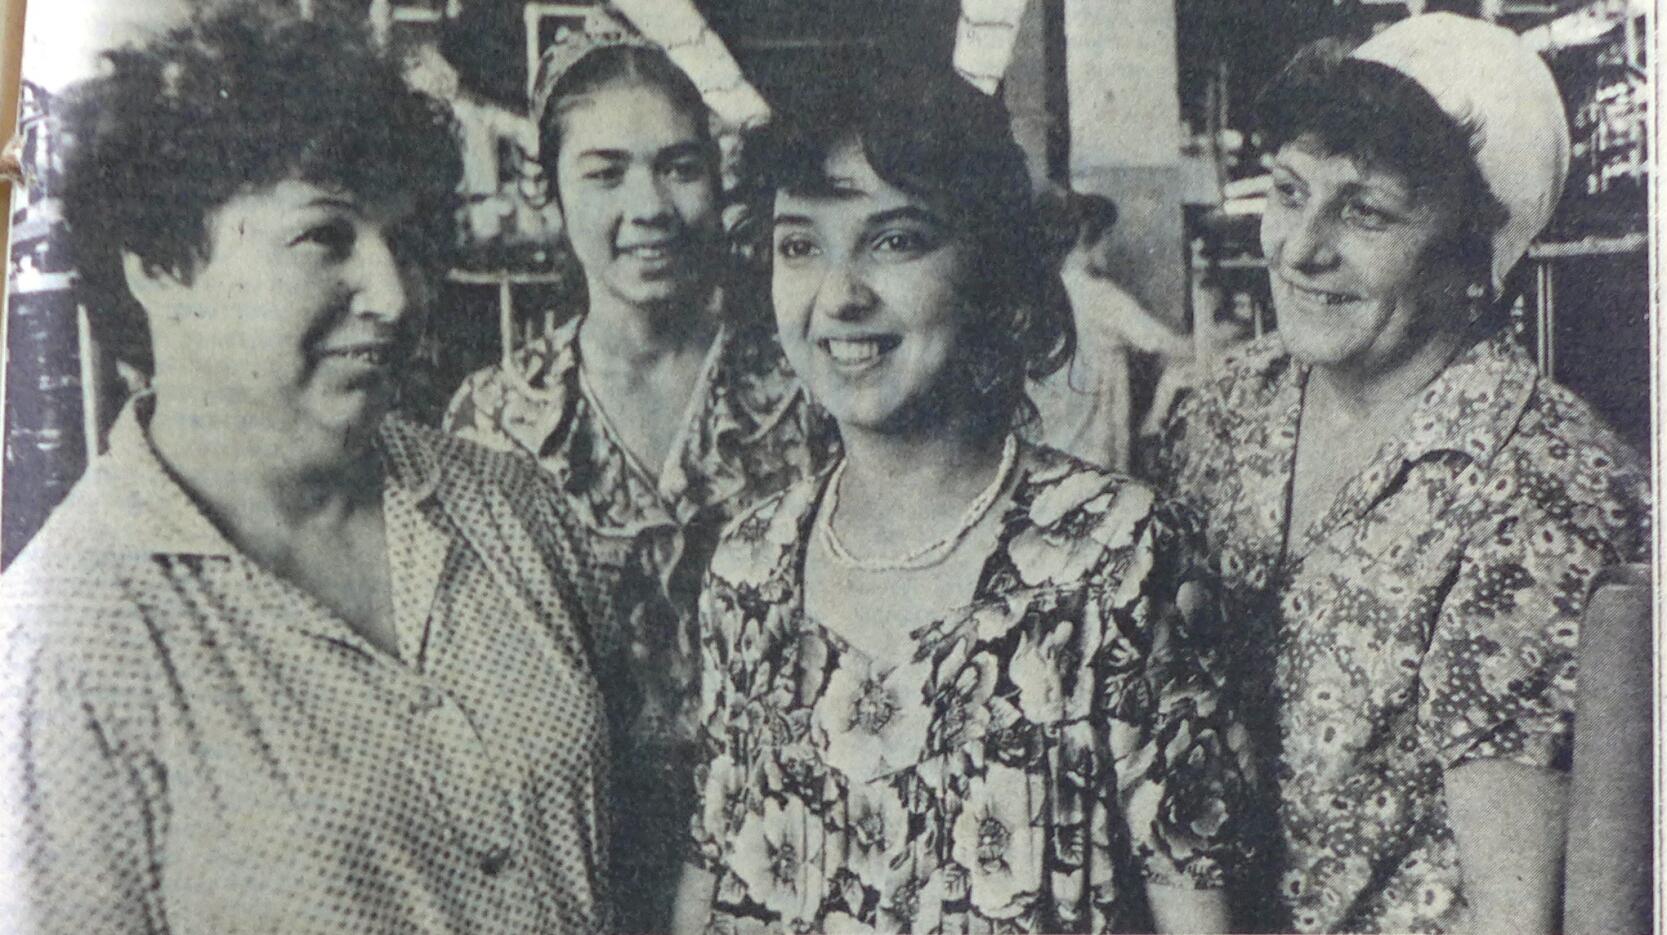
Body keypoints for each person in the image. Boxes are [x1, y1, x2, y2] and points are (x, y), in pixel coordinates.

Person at [3, 7, 613, 931]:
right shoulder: (69, 649)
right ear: (159, 266)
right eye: (325, 237)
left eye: (404, 241)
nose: (394, 293)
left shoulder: (509, 508)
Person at [672, 64, 1247, 934]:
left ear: (993, 271)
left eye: (895, 240)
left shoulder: (1122, 559)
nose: (839, 295)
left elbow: (1200, 910)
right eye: (799, 246)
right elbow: (709, 875)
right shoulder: (748, 567)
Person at [1151, 14, 1650, 933]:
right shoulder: (1227, 411)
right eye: (1290, 192)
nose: (1299, 247)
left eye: (1365, 212)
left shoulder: (1541, 486)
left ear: (1478, 256)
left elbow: (1515, 912)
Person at [441, 28, 828, 931]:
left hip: (793, 864)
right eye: (605, 173)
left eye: (678, 167)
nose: (648, 206)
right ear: (549, 190)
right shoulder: (494, 421)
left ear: (718, 181)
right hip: (580, 880)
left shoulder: (813, 389)